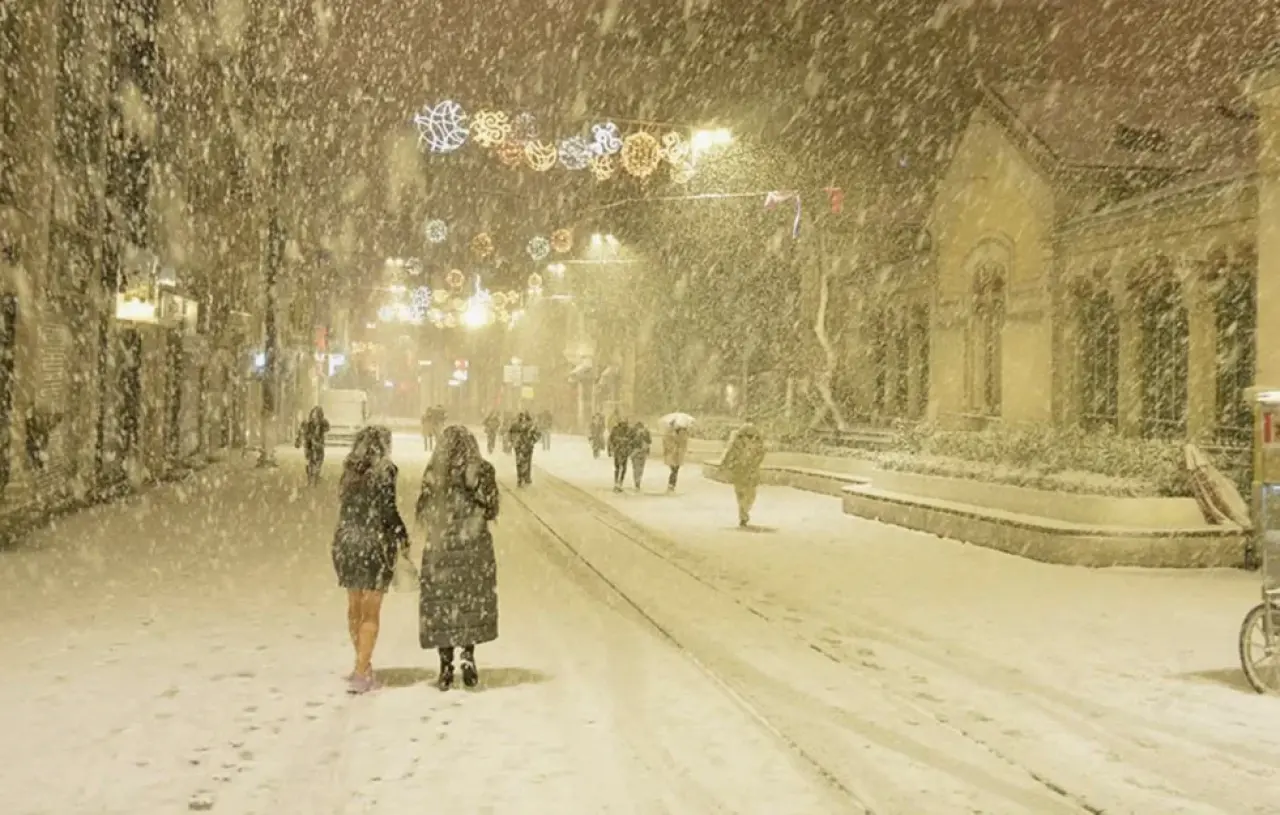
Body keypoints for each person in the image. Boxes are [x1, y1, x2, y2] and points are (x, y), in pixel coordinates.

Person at [415, 426, 500, 691]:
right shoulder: (483, 471)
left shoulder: (433, 473)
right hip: (473, 547)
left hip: (441, 547)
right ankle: (468, 655)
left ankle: (445, 665)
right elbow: (492, 508)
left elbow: (424, 510)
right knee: (469, 602)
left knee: (442, 604)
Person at [331, 426, 408, 694]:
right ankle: (362, 670)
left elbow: (346, 506)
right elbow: (387, 510)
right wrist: (401, 533)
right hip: (374, 543)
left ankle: (361, 663)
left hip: (347, 541)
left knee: (354, 607)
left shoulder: (349, 470)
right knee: (371, 611)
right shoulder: (386, 470)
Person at [722, 419, 766, 526]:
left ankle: (744, 510)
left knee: (750, 494)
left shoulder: (758, 442)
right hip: (740, 471)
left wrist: (754, 462)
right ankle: (743, 513)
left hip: (751, 472)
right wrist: (725, 463)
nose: (749, 437)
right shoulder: (736, 442)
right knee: (740, 493)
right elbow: (728, 453)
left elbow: (761, 455)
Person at [296, 406, 330, 486]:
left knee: (318, 461)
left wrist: (319, 427)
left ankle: (315, 477)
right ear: (311, 415)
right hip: (309, 444)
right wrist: (299, 441)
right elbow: (301, 432)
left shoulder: (323, 422)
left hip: (318, 444)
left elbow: (327, 428)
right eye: (314, 415)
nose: (315, 418)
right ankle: (310, 478)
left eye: (317, 415)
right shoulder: (307, 423)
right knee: (310, 461)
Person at [508, 410, 540, 486]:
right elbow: (538, 434)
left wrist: (512, 441)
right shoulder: (531, 424)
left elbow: (510, 433)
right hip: (527, 446)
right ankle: (526, 477)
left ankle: (520, 477)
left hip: (519, 445)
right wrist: (533, 441)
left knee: (519, 462)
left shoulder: (515, 424)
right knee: (527, 462)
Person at [608, 418, 634, 493]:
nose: (624, 425)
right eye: (622, 423)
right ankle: (617, 483)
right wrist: (610, 450)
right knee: (618, 468)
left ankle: (619, 483)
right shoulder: (615, 430)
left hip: (624, 452)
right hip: (618, 451)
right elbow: (610, 440)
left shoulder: (629, 430)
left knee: (623, 468)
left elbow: (632, 440)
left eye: (625, 423)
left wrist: (629, 447)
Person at [663, 424, 690, 493]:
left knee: (675, 470)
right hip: (672, 455)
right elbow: (666, 444)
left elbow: (684, 445)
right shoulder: (670, 435)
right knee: (674, 470)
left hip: (678, 456)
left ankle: (671, 485)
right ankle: (671, 485)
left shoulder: (683, 436)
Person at [630, 420, 652, 491]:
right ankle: (637, 482)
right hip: (638, 452)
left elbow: (649, 441)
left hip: (638, 452)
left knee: (638, 468)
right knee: (638, 468)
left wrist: (644, 435)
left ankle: (637, 482)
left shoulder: (645, 433)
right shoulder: (633, 433)